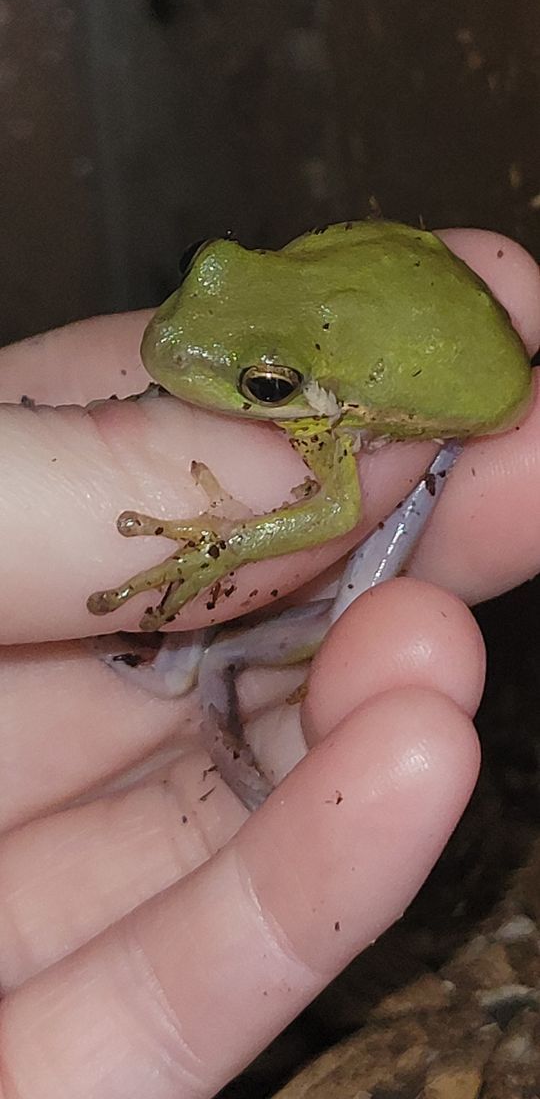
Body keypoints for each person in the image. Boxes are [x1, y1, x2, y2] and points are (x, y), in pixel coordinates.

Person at [0, 228, 538, 1099]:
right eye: (199, 274)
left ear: (305, 392)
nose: (170, 338)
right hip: (384, 302)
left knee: (366, 614)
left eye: (267, 388)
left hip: (433, 394)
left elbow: (333, 512)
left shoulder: (340, 410)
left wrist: (222, 544)